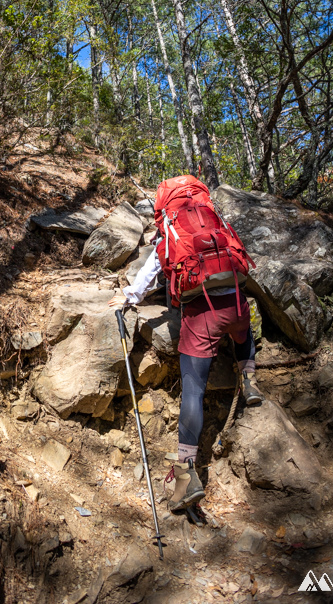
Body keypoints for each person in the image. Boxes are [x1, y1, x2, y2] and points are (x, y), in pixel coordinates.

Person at [108, 169, 263, 514]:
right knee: (242, 326)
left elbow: (153, 268)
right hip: (237, 304)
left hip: (203, 314)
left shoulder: (171, 226)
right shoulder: (212, 218)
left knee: (193, 393)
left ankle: (185, 476)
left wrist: (130, 296)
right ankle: (249, 377)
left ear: (164, 203)